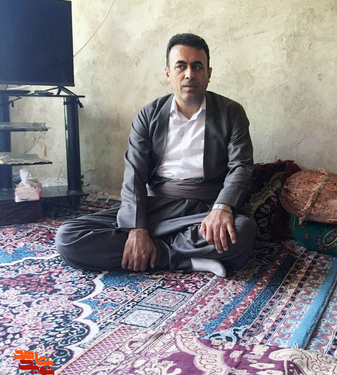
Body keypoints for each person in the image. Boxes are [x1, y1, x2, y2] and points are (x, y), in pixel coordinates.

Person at [56, 33, 257, 278]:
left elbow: (241, 167)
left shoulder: (231, 112)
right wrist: (137, 228)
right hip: (157, 206)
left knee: (242, 232)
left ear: (209, 73)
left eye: (197, 66)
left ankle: (154, 251)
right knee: (68, 237)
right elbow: (134, 175)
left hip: (205, 208)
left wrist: (221, 208)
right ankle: (186, 259)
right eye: (181, 66)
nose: (189, 74)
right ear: (168, 73)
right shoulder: (148, 115)